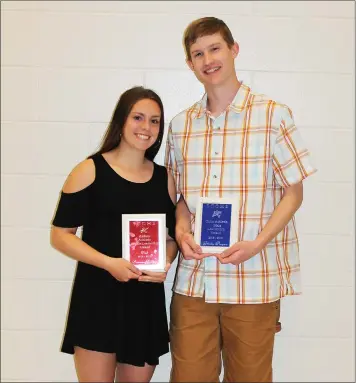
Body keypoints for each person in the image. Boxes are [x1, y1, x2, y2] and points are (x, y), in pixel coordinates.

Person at [165, 17, 317, 382]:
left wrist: (257, 244)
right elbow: (179, 197)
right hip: (195, 281)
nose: (208, 59)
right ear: (190, 64)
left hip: (254, 278)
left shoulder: (273, 115)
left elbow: (293, 193)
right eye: (198, 53)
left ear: (233, 50)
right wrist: (182, 228)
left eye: (215, 48)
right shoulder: (181, 125)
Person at [50, 86, 178, 383]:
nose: (146, 127)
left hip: (144, 303)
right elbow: (60, 235)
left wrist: (165, 263)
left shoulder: (165, 179)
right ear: (121, 120)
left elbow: (170, 239)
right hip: (97, 299)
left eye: (155, 121)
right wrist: (109, 263)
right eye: (138, 117)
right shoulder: (90, 170)